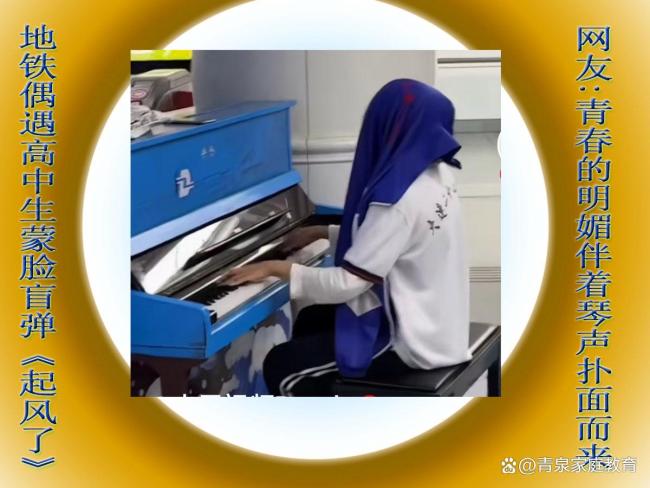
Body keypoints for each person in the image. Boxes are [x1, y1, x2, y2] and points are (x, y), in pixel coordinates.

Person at [224, 79, 471, 396]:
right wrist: (321, 232)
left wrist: (275, 268)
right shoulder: (436, 175)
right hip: (439, 324)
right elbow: (395, 242)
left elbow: (347, 284)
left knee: (282, 365)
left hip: (411, 344)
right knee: (312, 319)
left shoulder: (397, 200)